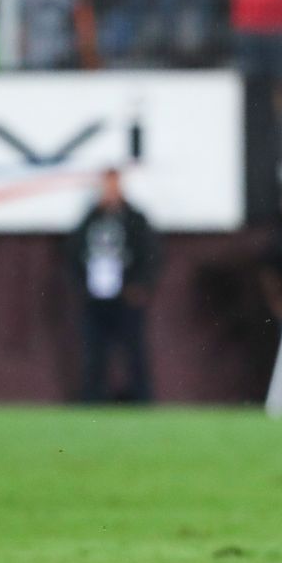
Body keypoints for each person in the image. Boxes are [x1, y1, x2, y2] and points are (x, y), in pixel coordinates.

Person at [66, 169, 162, 403]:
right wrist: (81, 285)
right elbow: (73, 252)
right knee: (94, 351)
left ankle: (141, 399)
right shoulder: (90, 219)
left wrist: (140, 285)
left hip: (126, 296)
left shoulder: (135, 218)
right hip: (96, 296)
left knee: (134, 351)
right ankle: (92, 398)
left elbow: (151, 252)